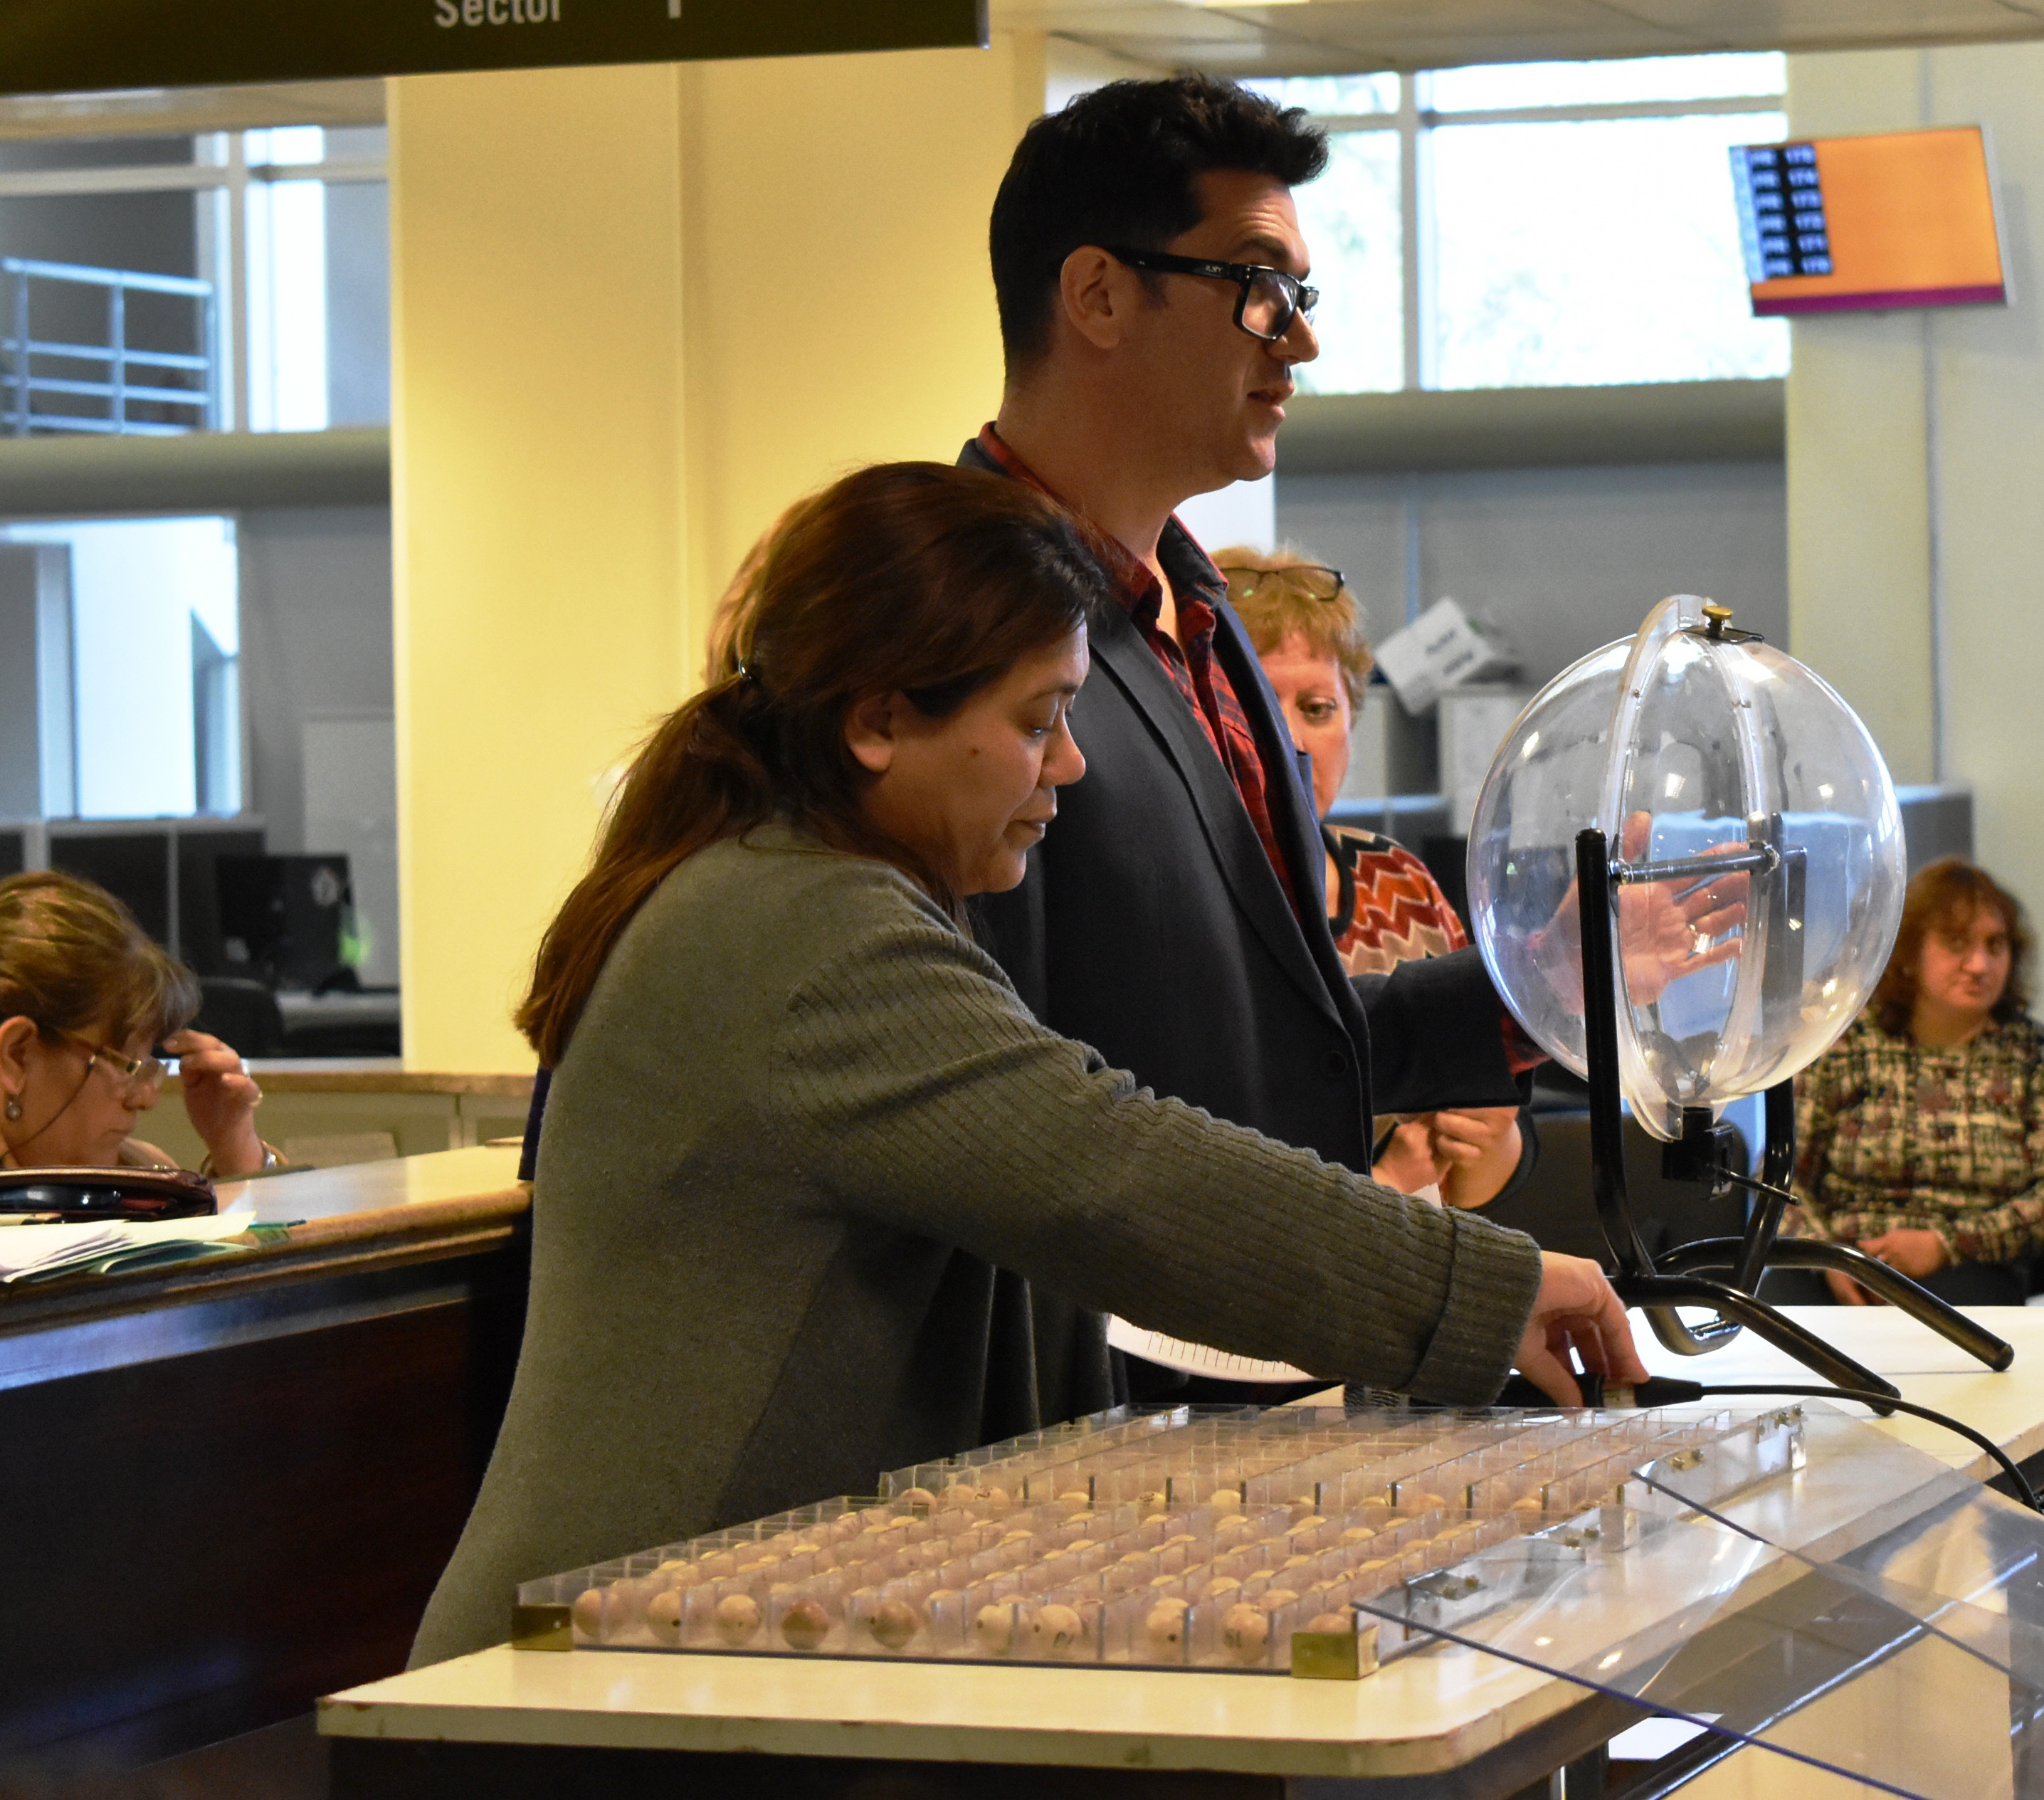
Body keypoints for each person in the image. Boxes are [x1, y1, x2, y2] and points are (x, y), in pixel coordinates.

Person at [409, 464, 1643, 1666]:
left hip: (683, 1640)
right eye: (1037, 721)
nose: (1070, 765)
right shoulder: (806, 926)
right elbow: (1112, 1176)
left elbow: (1145, 1114)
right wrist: (1482, 1289)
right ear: (877, 720)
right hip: (609, 1670)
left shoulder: (814, 886)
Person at [955, 75, 1734, 1423]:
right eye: (1259, 288)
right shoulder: (955, 624)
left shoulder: (1204, 624)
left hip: (1257, 1384)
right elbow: (1013, 1110)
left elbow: (1269, 1049)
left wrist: (1545, 979)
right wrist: (1445, 1287)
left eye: (1302, 294)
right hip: (1073, 1408)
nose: (1300, 340)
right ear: (1097, 294)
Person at [1214, 543, 1524, 1209]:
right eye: (1253, 704)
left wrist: (1489, 1138)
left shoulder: (1399, 881)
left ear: (1353, 719)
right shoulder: (1183, 899)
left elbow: (1479, 1179)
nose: (1291, 740)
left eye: (1317, 708)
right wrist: (1386, 1184)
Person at [1784, 858, 2044, 1307]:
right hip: (1838, 1264)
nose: (1980, 965)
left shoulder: (2033, 1054)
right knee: (1775, 1319)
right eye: (1957, 943)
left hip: (1968, 1268)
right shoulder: (1844, 1042)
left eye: (1996, 945)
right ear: (1909, 953)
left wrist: (1946, 1244)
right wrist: (1828, 1257)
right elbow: (1781, 1180)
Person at [0, 871, 274, 1179]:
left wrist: (236, 1148)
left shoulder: (140, 1169)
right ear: (17, 1056)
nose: (146, 1099)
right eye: (125, 1065)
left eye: (147, 1067)